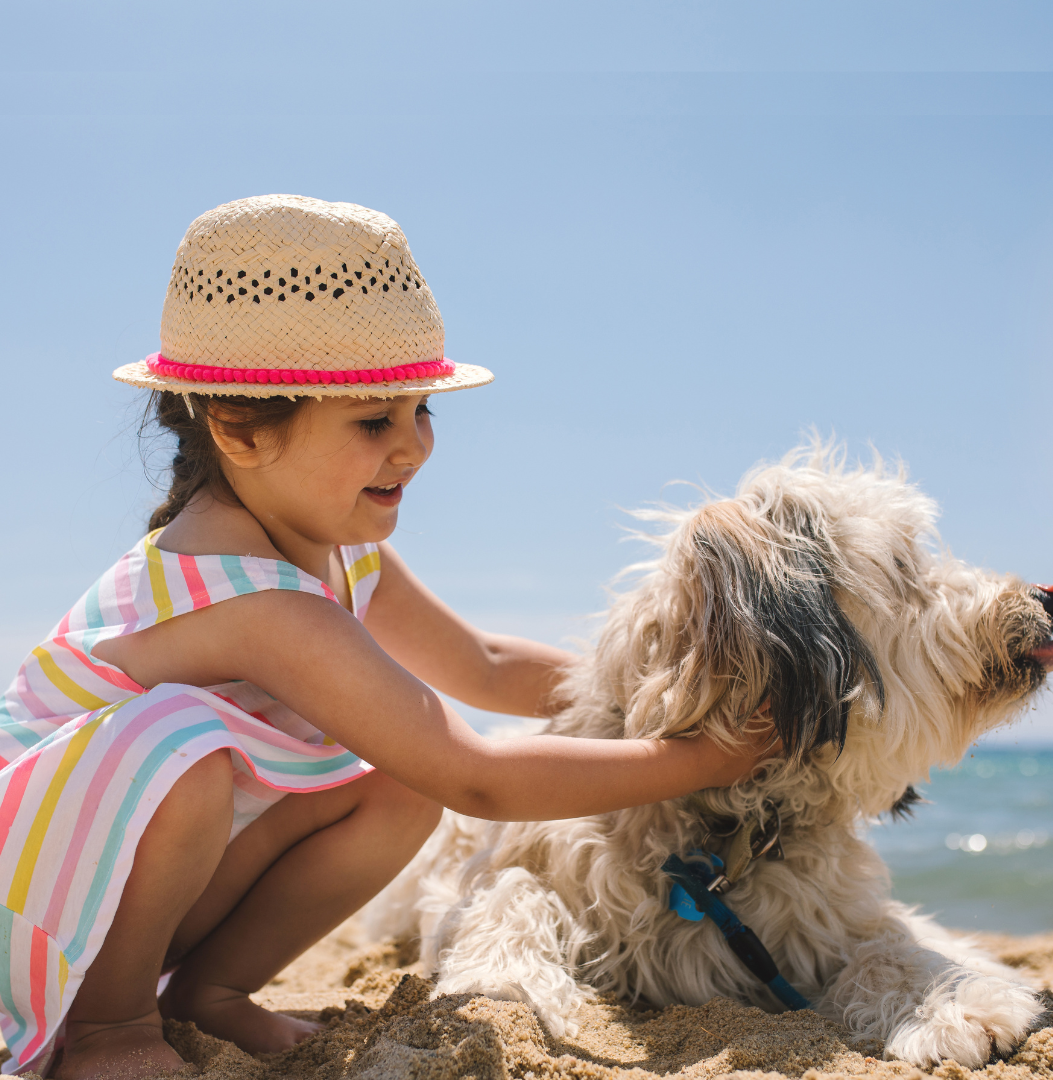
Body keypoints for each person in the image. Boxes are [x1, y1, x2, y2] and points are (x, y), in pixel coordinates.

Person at [0, 195, 775, 1079]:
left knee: (400, 786)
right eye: (374, 422)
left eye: (421, 413)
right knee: (186, 753)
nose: (413, 449)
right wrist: (705, 759)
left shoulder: (332, 554)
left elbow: (481, 665)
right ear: (239, 429)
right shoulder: (249, 598)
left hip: (129, 890)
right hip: (30, 895)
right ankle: (107, 1029)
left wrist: (659, 700)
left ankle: (204, 997)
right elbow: (479, 777)